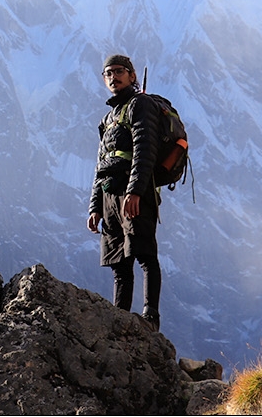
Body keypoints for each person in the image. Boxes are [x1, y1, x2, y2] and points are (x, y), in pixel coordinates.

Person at [88, 53, 163, 329]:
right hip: (110, 197)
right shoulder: (106, 120)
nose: (113, 77)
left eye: (119, 71)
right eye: (108, 73)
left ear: (132, 75)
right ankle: (119, 319)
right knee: (119, 264)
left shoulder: (140, 105)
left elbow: (145, 151)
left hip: (134, 193)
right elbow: (101, 165)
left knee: (144, 255)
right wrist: (95, 207)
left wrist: (135, 191)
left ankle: (150, 317)